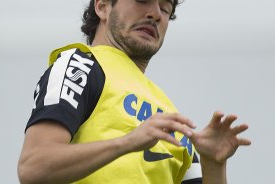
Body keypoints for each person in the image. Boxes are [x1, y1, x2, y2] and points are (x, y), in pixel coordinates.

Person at [17, 0, 251, 183]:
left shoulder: (168, 110)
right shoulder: (81, 65)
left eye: (165, 8)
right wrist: (127, 142)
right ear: (103, 6)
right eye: (142, 0)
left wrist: (213, 164)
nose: (155, 14)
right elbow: (32, 166)